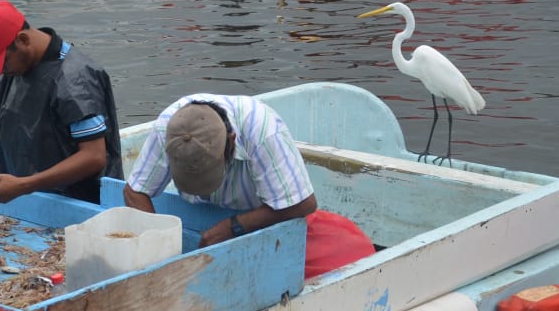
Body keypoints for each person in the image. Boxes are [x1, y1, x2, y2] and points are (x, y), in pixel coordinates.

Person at [122, 94, 373, 275]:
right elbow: (134, 191)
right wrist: (159, 250)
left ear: (231, 142)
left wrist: (234, 227)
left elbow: (303, 204)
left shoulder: (263, 131)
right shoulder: (169, 129)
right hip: (201, 217)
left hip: (265, 218)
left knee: (358, 254)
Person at [0, 0, 122, 204]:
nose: (0, 71)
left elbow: (93, 156)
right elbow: (5, 125)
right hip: (23, 197)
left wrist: (25, 185)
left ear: (23, 40)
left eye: (2, 62)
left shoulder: (76, 79)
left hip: (78, 204)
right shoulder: (14, 69)